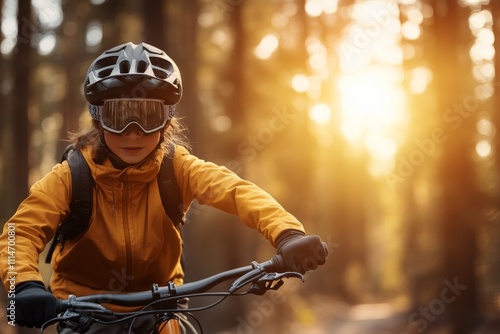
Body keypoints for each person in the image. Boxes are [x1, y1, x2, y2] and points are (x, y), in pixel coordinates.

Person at [0, 42, 327, 333]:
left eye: (148, 117)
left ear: (167, 119)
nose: (133, 133)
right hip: (83, 312)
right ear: (98, 119)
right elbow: (20, 231)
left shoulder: (176, 167)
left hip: (162, 306)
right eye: (118, 117)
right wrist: (24, 283)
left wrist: (287, 234)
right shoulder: (72, 175)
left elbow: (236, 191)